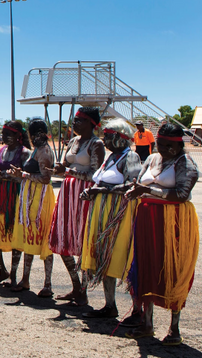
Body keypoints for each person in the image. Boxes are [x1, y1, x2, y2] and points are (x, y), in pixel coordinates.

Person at [123, 123, 199, 346]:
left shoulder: (186, 163)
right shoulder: (152, 159)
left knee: (174, 267)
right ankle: (147, 323)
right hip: (147, 219)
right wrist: (132, 191)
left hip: (174, 220)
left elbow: (182, 194)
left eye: (170, 145)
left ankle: (174, 328)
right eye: (160, 144)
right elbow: (138, 182)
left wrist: (148, 191)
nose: (164, 149)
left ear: (179, 145)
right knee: (146, 265)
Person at [78, 119, 141, 319]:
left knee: (120, 254)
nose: (105, 140)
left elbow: (132, 185)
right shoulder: (112, 157)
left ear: (119, 138)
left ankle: (137, 310)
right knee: (104, 255)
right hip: (101, 210)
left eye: (108, 136)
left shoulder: (130, 157)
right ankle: (109, 305)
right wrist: (93, 192)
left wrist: (104, 190)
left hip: (118, 213)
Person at [50, 107, 105, 305]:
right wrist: (59, 170)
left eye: (80, 120)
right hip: (67, 193)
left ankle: (83, 289)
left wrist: (70, 172)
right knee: (63, 236)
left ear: (91, 123)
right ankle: (75, 286)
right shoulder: (73, 141)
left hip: (84, 195)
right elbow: (65, 167)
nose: (75, 124)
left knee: (82, 238)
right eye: (74, 120)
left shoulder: (96, 144)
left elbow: (96, 175)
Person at [8, 119, 57, 297]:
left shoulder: (44, 151)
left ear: (41, 134)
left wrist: (24, 175)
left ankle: (47, 284)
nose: (33, 137)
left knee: (43, 237)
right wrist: (19, 175)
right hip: (30, 195)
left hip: (41, 198)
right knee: (29, 236)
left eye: (34, 134)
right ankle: (25, 279)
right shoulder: (36, 149)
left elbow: (45, 178)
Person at [0, 121, 30, 286]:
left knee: (14, 231)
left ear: (18, 135)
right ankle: (2, 270)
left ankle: (14, 274)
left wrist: (10, 176)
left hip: (15, 194)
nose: (5, 138)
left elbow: (26, 177)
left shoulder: (24, 153)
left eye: (8, 134)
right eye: (3, 134)